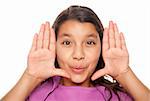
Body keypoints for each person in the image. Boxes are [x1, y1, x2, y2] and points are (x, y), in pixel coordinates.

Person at [1, 5, 150, 101]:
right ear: (54, 46)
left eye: (89, 43)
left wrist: (124, 73)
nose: (78, 54)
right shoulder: (36, 95)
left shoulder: (116, 97)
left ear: (102, 46)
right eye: (67, 43)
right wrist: (30, 77)